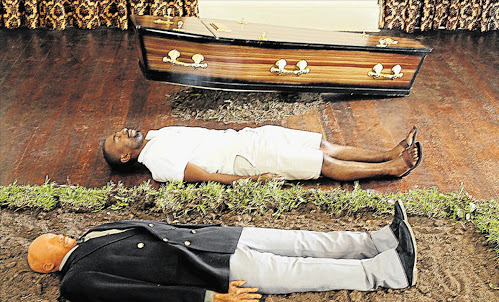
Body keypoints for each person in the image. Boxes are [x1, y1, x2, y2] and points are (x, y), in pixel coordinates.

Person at [27, 201, 417, 302]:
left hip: (216, 238)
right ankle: (387, 271)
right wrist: (213, 296)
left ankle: (378, 240)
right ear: (47, 265)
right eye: (49, 243)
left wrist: (209, 227)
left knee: (301, 241)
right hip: (210, 268)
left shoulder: (94, 233)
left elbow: (158, 226)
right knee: (298, 271)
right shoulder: (76, 280)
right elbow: (143, 293)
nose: (57, 236)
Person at [102, 125, 422, 184]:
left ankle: (387, 154)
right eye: (119, 139)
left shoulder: (157, 135)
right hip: (248, 160)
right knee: (322, 163)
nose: (124, 131)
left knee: (323, 146)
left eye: (119, 131)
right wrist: (252, 180)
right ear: (126, 158)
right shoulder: (156, 163)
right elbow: (204, 175)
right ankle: (391, 169)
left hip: (252, 137)